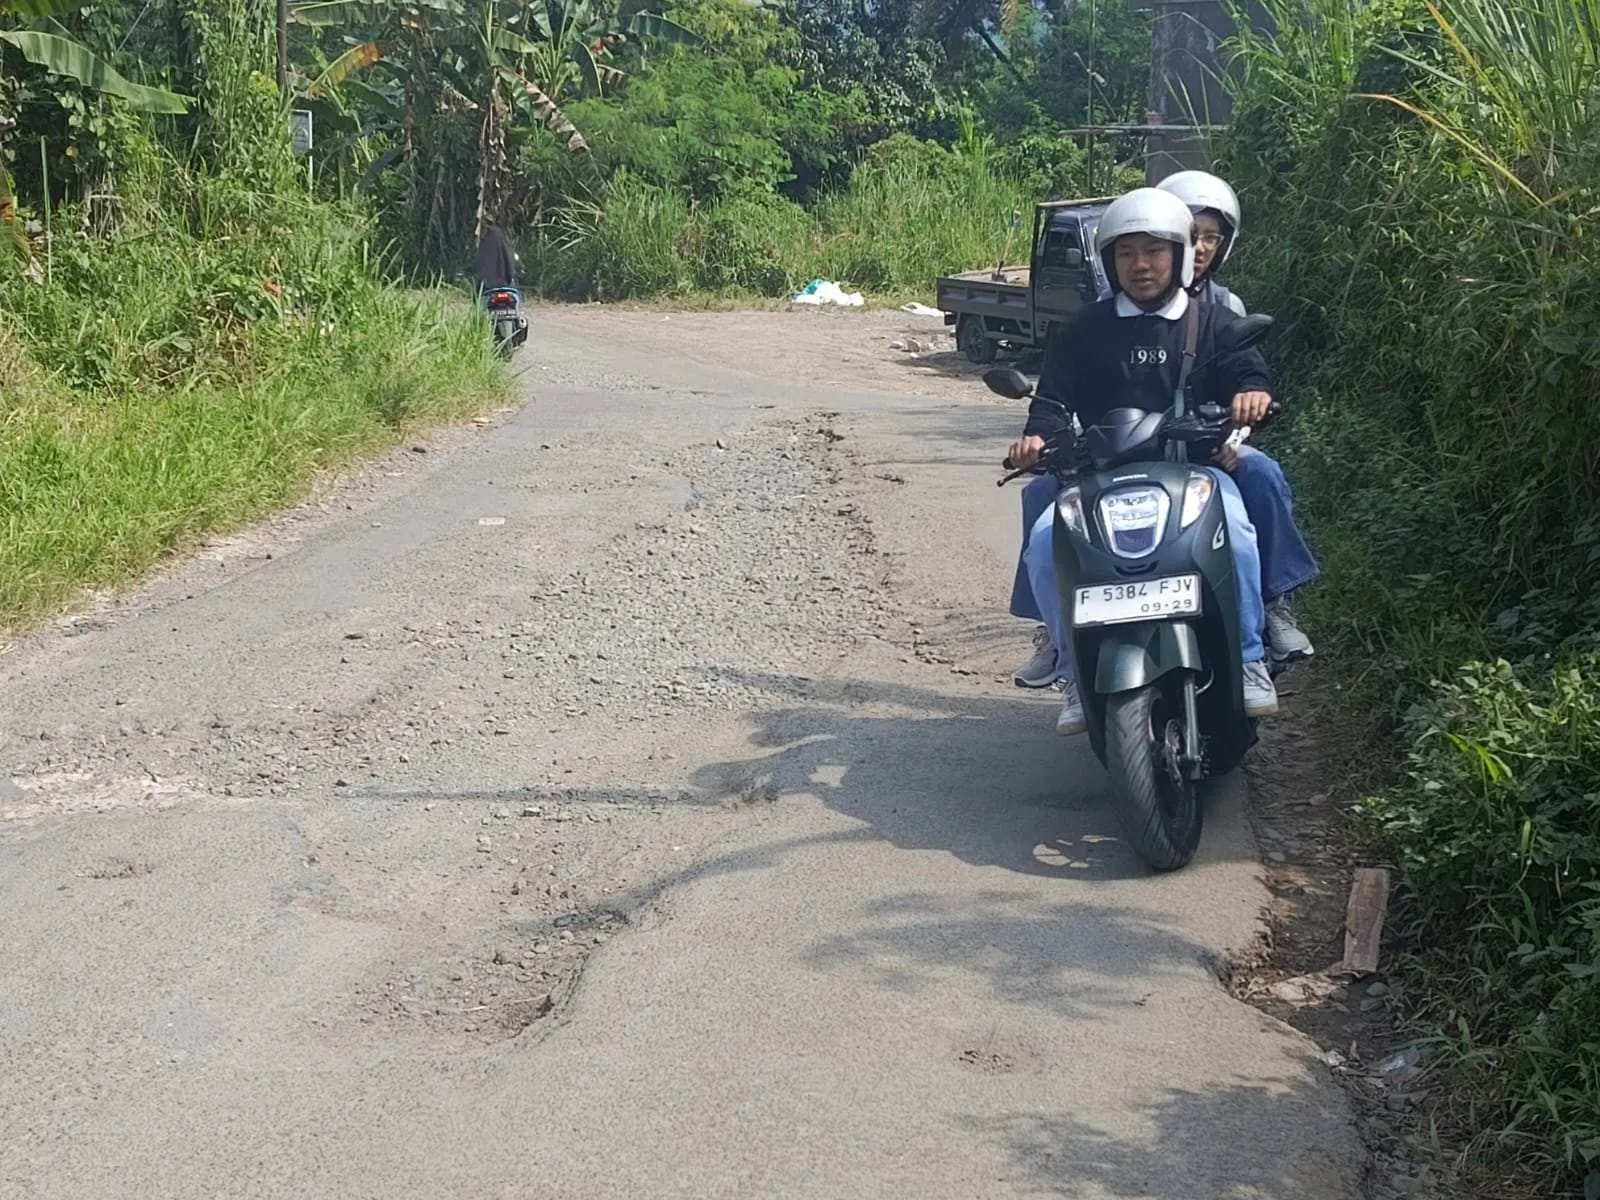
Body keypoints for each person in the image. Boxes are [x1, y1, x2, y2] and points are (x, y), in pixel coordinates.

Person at [1006, 187, 1280, 735]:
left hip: (1197, 471)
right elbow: (1051, 405)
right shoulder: (1084, 330)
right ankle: (1070, 670)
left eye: (1153, 251)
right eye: (1126, 253)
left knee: (1241, 535)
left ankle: (1250, 657)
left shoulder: (1212, 323)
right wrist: (1037, 439)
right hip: (1101, 479)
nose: (1141, 265)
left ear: (1179, 255)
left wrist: (1252, 396)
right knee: (1043, 543)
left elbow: (1251, 375)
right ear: (1110, 261)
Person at [1156, 170, 1319, 662]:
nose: (1201, 247)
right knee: (1046, 497)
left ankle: (1274, 604)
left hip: (1208, 447)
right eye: (1190, 235)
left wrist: (1240, 426)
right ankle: (1055, 633)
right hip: (1130, 450)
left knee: (1263, 473)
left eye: (1211, 238)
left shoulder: (1226, 306)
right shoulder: (1111, 307)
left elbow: (1245, 374)